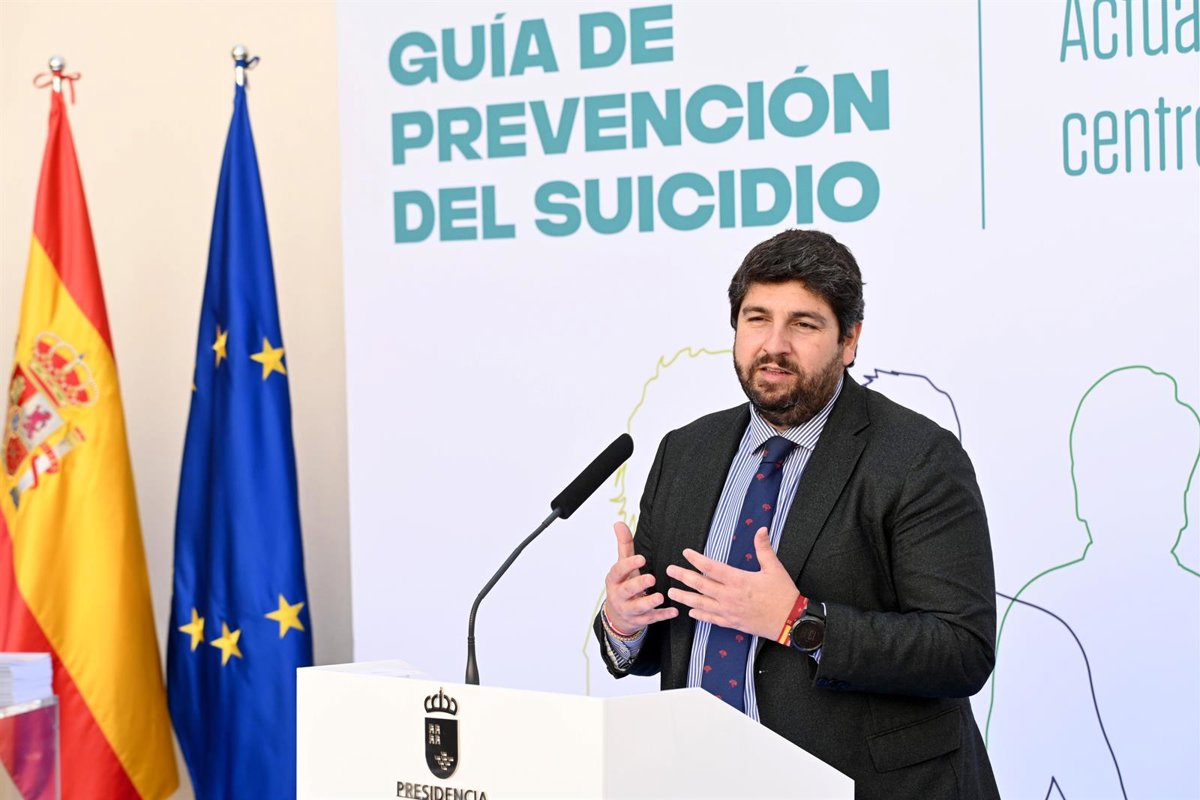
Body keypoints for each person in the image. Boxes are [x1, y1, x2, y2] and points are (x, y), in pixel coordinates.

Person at [594, 229, 999, 799]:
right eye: (757, 319)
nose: (774, 345)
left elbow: (961, 650)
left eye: (803, 324)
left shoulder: (917, 457)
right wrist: (624, 623)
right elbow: (667, 642)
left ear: (849, 340)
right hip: (706, 781)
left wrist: (799, 621)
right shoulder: (685, 452)